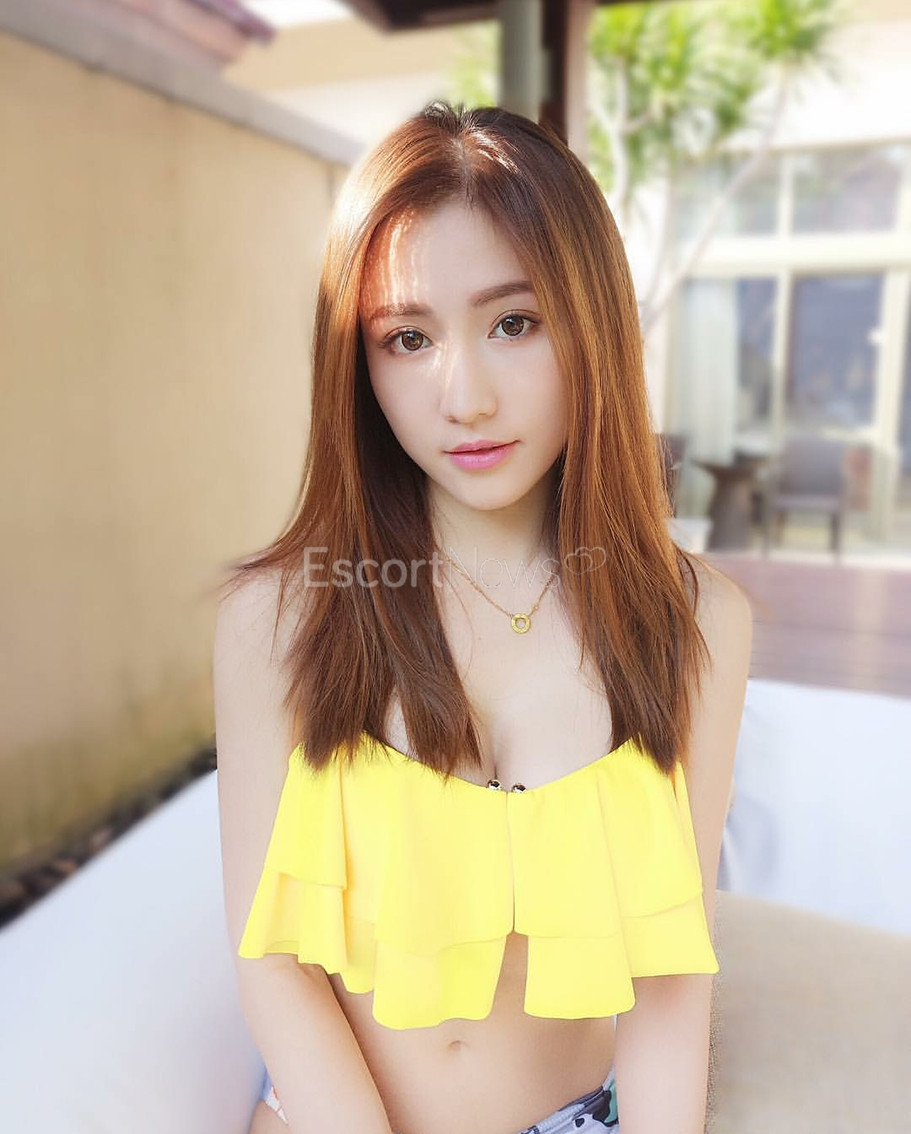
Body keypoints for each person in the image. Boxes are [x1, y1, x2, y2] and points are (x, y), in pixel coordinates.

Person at [214, 100, 752, 1134]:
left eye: (513, 323)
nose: (463, 397)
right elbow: (269, 962)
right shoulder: (276, 617)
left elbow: (670, 975)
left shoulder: (694, 624)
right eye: (407, 338)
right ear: (358, 364)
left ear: (591, 325)